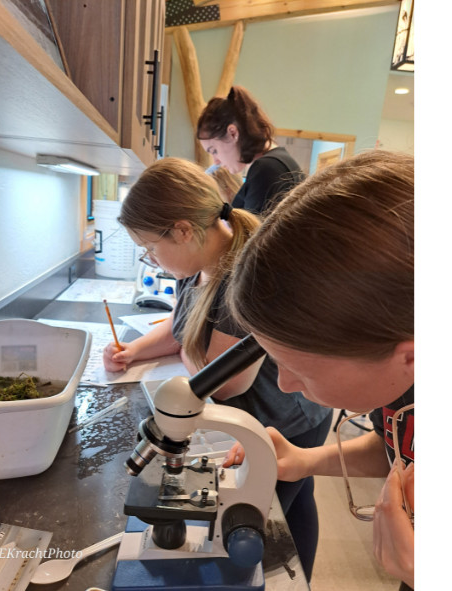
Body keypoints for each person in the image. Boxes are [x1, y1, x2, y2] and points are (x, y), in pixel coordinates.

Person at [103, 157, 333, 582]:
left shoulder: (245, 273)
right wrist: (131, 351)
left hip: (288, 417)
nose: (151, 259)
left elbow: (223, 380)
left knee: (270, 511)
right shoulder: (195, 265)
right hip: (254, 415)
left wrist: (189, 353)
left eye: (151, 248)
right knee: (296, 501)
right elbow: (181, 332)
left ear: (183, 230)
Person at [223, 150, 415, 589]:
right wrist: (305, 460)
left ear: (409, 356)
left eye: (301, 370)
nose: (286, 383)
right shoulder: (403, 369)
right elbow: (399, 447)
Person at [197, 86, 304, 216]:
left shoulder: (267, 169)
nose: (216, 161)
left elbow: (252, 234)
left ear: (232, 133)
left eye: (214, 150)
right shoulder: (277, 162)